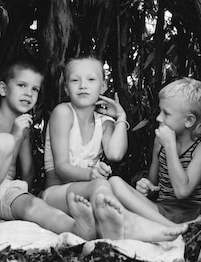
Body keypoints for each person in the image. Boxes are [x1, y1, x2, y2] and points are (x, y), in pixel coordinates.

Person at [42, 55, 187, 242]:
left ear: (102, 87)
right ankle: (148, 226)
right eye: (75, 80)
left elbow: (115, 154)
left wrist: (121, 117)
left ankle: (159, 227)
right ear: (66, 88)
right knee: (102, 185)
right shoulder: (63, 112)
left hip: (87, 195)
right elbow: (61, 168)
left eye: (91, 79)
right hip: (56, 195)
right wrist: (90, 174)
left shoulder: (105, 123)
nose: (83, 85)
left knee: (112, 183)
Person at [0, 57, 98, 240]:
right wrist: (14, 135)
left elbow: (28, 170)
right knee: (4, 141)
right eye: (22, 85)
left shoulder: (23, 127)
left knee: (33, 205)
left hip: (3, 190)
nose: (29, 93)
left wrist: (23, 196)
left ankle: (77, 228)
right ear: (3, 89)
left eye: (34, 89)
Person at [109, 77, 201, 224]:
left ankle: (170, 229)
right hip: (162, 210)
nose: (159, 118)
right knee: (115, 183)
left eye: (166, 113)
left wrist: (170, 146)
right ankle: (164, 226)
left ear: (189, 121)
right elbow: (153, 182)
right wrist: (146, 187)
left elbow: (182, 191)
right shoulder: (160, 142)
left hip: (193, 214)